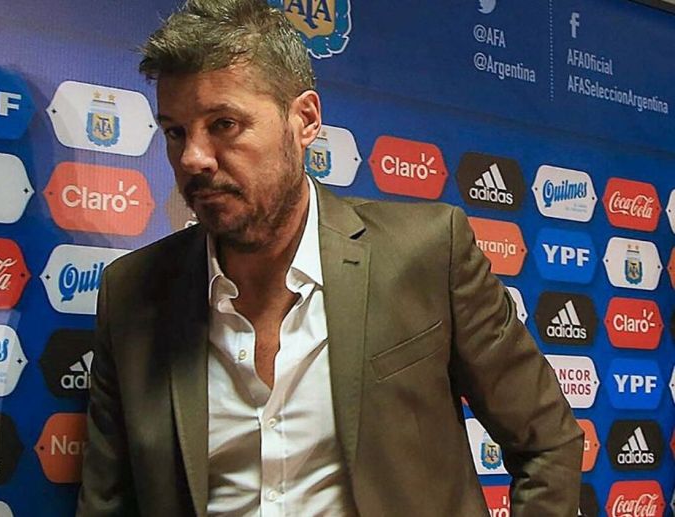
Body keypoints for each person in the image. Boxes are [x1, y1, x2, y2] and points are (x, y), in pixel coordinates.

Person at [77, 1, 583, 515]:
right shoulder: (133, 293)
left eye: (224, 124)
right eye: (176, 132)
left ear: (305, 120)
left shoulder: (427, 252)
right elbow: (106, 500)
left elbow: (548, 442)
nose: (193, 158)